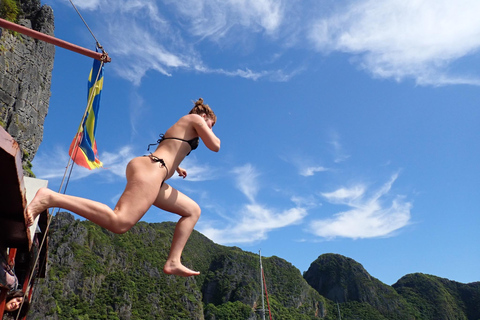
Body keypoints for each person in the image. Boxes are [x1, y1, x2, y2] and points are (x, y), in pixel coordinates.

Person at [26, 98, 221, 277]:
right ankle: (51, 198)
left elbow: (170, 145)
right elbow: (215, 146)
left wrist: (177, 166)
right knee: (120, 221)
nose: (209, 130)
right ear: (205, 117)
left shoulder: (185, 126)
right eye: (210, 125)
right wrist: (210, 131)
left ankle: (173, 261)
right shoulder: (195, 118)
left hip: (155, 171)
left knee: (192, 211)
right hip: (152, 169)